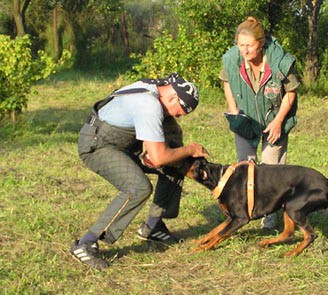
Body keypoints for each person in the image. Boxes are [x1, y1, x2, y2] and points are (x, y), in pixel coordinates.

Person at [70, 73, 209, 269]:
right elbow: (160, 157)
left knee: (178, 164)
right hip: (97, 146)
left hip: (123, 142)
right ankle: (86, 243)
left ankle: (153, 226)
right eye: (178, 113)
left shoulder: (155, 90)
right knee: (138, 188)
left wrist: (176, 153)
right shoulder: (148, 105)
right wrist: (190, 149)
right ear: (171, 98)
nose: (177, 117)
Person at [220, 17, 300, 230]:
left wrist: (278, 122)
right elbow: (226, 82)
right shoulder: (231, 59)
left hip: (275, 118)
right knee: (246, 166)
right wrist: (233, 110)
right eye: (241, 45)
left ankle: (270, 217)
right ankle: (245, 211)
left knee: (271, 169)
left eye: (249, 46)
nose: (244, 51)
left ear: (261, 43)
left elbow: (290, 93)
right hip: (245, 119)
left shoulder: (280, 61)